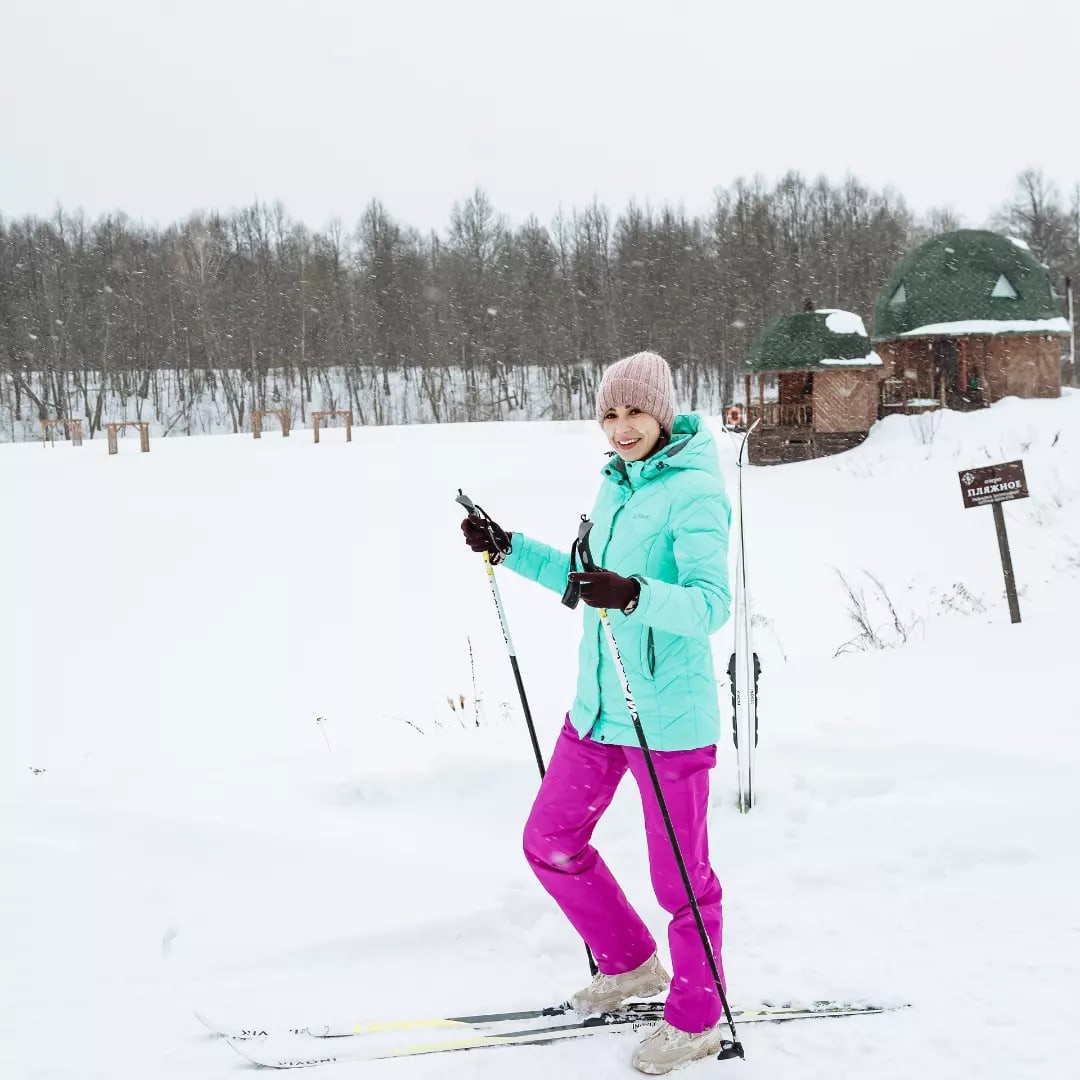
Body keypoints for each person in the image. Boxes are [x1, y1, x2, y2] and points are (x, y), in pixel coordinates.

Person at [460, 351, 732, 1075]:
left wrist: (636, 593)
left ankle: (698, 1020)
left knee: (682, 882)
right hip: (599, 711)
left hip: (667, 720)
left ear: (662, 414)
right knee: (550, 840)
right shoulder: (617, 484)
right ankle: (632, 963)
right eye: (610, 414)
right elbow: (587, 582)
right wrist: (509, 548)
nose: (621, 427)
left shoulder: (695, 491)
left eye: (635, 411)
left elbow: (711, 606)